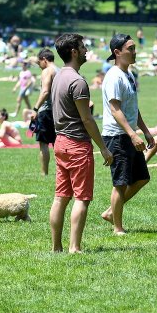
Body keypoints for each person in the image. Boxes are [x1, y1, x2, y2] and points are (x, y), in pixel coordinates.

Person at [48, 33, 114, 254]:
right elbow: (87, 119)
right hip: (77, 145)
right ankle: (74, 247)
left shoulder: (57, 76)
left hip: (60, 143)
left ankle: (56, 246)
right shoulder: (78, 82)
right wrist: (103, 148)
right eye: (83, 47)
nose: (86, 50)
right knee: (82, 198)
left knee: (60, 197)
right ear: (74, 51)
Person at [99, 33, 154, 237]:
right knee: (120, 183)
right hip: (117, 136)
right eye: (130, 48)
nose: (134, 51)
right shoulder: (114, 76)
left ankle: (111, 212)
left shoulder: (128, 74)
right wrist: (132, 134)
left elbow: (132, 108)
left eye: (134, 48)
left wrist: (146, 132)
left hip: (129, 134)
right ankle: (117, 227)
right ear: (117, 52)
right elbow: (115, 109)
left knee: (141, 178)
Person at [30, 48, 58, 176]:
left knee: (44, 143)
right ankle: (62, 172)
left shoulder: (47, 71)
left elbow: (45, 91)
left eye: (39, 62)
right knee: (58, 143)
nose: (39, 66)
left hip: (46, 111)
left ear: (44, 60)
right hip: (58, 110)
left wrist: (35, 108)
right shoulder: (59, 70)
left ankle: (44, 173)